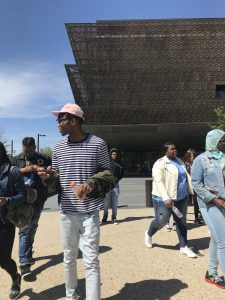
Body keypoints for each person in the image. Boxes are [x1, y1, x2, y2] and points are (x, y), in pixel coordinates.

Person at [38, 103, 115, 300]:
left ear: (73, 121)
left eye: (60, 119)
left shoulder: (98, 143)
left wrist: (92, 182)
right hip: (66, 212)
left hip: (90, 212)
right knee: (69, 258)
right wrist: (48, 177)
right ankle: (71, 296)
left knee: (91, 260)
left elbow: (108, 174)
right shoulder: (58, 148)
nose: (58, 124)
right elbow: (57, 180)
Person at [144, 142, 197, 258]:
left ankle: (183, 246)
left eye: (175, 149)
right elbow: (159, 181)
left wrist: (193, 190)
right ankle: (149, 234)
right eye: (172, 149)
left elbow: (187, 177)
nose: (175, 151)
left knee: (181, 222)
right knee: (162, 221)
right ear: (165, 151)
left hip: (181, 197)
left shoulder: (179, 161)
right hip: (163, 198)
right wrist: (166, 198)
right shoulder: (160, 164)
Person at [12, 137, 51, 278]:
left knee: (33, 226)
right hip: (22, 200)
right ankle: (24, 264)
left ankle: (27, 253)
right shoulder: (16, 159)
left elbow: (51, 175)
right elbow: (9, 174)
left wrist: (45, 174)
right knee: (24, 229)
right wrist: (24, 169)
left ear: (35, 147)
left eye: (30, 150)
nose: (27, 153)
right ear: (22, 148)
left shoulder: (44, 158)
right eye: (25, 150)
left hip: (39, 198)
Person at [192, 129, 225, 288]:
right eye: (222, 140)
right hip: (210, 204)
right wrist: (214, 199)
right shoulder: (201, 160)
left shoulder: (224, 158)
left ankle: (211, 273)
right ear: (214, 141)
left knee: (216, 238)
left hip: (223, 203)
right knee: (224, 242)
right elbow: (196, 184)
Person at [0, 142, 27, 299]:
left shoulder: (12, 171)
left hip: (5, 220)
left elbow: (22, 195)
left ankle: (16, 277)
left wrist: (8, 200)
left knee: (3, 260)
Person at [102, 148, 124, 224]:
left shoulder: (119, 164)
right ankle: (105, 215)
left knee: (115, 202)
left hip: (115, 185)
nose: (114, 155)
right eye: (113, 154)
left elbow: (122, 173)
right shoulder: (106, 163)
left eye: (115, 154)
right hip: (107, 185)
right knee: (105, 202)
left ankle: (114, 217)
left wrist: (117, 179)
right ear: (110, 154)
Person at [183, 149, 204, 225]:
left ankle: (196, 218)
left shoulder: (196, 164)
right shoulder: (185, 164)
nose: (192, 157)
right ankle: (183, 219)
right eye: (191, 156)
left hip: (195, 185)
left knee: (196, 202)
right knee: (185, 203)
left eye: (194, 156)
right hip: (186, 185)